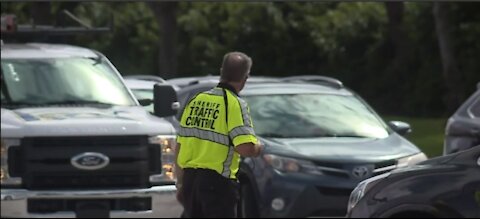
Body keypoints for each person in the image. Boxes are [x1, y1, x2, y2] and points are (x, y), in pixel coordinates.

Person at [175, 51, 263, 218]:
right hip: (217, 185)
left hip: (190, 182)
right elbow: (244, 148)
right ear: (245, 78)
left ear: (221, 71)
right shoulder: (234, 104)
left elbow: (179, 146)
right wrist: (258, 148)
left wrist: (180, 183)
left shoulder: (196, 100)